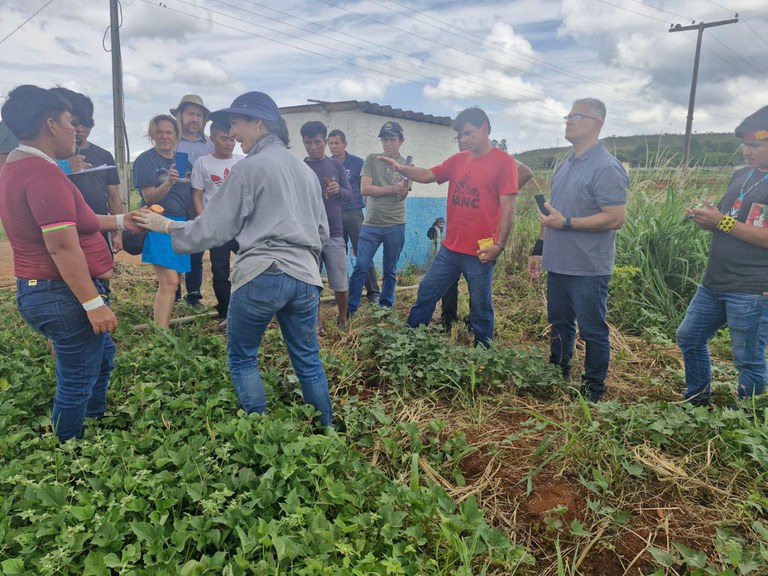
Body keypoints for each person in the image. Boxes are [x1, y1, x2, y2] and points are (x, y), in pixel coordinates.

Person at [134, 91, 333, 427]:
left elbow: (213, 227)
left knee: (242, 357)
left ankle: (258, 433)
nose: (232, 131)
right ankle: (326, 430)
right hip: (305, 278)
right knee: (308, 360)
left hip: (262, 274)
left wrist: (166, 225)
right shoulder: (304, 171)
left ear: (259, 123)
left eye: (236, 122)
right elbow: (323, 232)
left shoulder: (249, 167)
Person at [0, 85, 137, 441]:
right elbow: (62, 247)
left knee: (102, 355)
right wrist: (94, 304)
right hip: (60, 293)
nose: (75, 130)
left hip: (44, 290)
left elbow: (82, 219)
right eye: (69, 122)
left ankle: (94, 421)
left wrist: (124, 220)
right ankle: (70, 453)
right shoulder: (42, 174)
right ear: (50, 123)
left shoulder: (20, 165)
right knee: (76, 378)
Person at [386, 107, 521, 347]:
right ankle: (409, 343)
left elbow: (508, 209)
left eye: (468, 133)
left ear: (485, 129)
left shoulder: (504, 163)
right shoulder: (459, 160)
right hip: (450, 248)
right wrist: (401, 168)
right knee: (427, 291)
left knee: (480, 306)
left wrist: (499, 246)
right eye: (459, 136)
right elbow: (428, 174)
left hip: (481, 251)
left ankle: (484, 354)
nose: (463, 140)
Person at [528, 98, 627, 402]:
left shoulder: (607, 168)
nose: (568, 121)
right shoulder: (564, 165)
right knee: (559, 323)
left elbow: (615, 218)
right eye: (567, 116)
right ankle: (558, 373)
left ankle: (592, 390)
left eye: (576, 116)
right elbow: (551, 213)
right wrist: (539, 247)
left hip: (588, 268)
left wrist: (567, 223)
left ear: (596, 123)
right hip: (558, 263)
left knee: (592, 330)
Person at [677, 105, 768, 406]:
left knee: (748, 360)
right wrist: (709, 219)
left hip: (752, 288)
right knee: (689, 336)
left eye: (755, 144)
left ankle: (746, 419)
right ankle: (696, 401)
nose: (747, 150)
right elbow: (731, 221)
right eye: (745, 143)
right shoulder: (741, 175)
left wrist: (723, 222)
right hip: (714, 282)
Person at [132, 114, 193, 328]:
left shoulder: (186, 162)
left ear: (176, 135)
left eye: (169, 132)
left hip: (179, 224)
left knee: (173, 282)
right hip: (156, 222)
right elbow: (149, 198)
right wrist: (169, 181)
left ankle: (162, 329)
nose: (165, 136)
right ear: (152, 135)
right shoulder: (145, 160)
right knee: (170, 281)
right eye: (160, 132)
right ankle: (162, 334)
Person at [347, 121, 411, 315]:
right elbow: (364, 189)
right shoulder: (372, 159)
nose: (388, 143)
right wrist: (392, 188)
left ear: (401, 141)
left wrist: (403, 184)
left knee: (390, 271)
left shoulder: (406, 165)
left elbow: (402, 196)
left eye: (392, 139)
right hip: (371, 225)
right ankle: (350, 310)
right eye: (385, 139)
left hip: (396, 224)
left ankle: (385, 309)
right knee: (361, 267)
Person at [51, 88, 123, 254]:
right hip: (66, 230)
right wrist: (65, 166)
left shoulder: (104, 155)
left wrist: (118, 231)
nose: (81, 129)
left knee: (101, 274)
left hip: (100, 227)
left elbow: (113, 197)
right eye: (75, 123)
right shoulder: (51, 155)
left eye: (86, 123)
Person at [301, 121, 353, 329]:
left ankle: (343, 318)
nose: (313, 147)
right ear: (303, 142)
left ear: (325, 141)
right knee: (312, 281)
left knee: (340, 281)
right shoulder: (300, 167)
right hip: (308, 234)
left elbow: (350, 196)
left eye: (317, 142)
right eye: (308, 142)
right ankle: (316, 320)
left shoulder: (336, 166)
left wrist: (338, 189)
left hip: (334, 232)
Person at [190, 122, 244, 324]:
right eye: (224, 138)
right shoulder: (202, 163)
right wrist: (205, 222)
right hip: (217, 228)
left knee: (250, 266)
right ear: (212, 138)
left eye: (232, 139)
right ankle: (225, 313)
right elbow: (197, 196)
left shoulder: (243, 161)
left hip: (241, 227)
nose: (229, 143)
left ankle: (250, 309)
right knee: (220, 270)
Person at [171, 94, 215, 308]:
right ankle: (172, 292)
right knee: (175, 244)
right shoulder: (171, 142)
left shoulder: (209, 146)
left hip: (200, 202)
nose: (194, 119)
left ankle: (194, 295)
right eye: (190, 113)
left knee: (196, 248)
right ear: (180, 116)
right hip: (175, 200)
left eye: (199, 115)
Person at [328, 128, 380, 303]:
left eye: (336, 143)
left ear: (344, 144)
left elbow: (365, 187)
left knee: (363, 252)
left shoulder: (357, 163)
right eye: (331, 143)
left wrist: (368, 210)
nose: (333, 146)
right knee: (338, 254)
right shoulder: (327, 164)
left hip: (355, 213)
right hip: (334, 215)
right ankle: (342, 291)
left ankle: (373, 292)